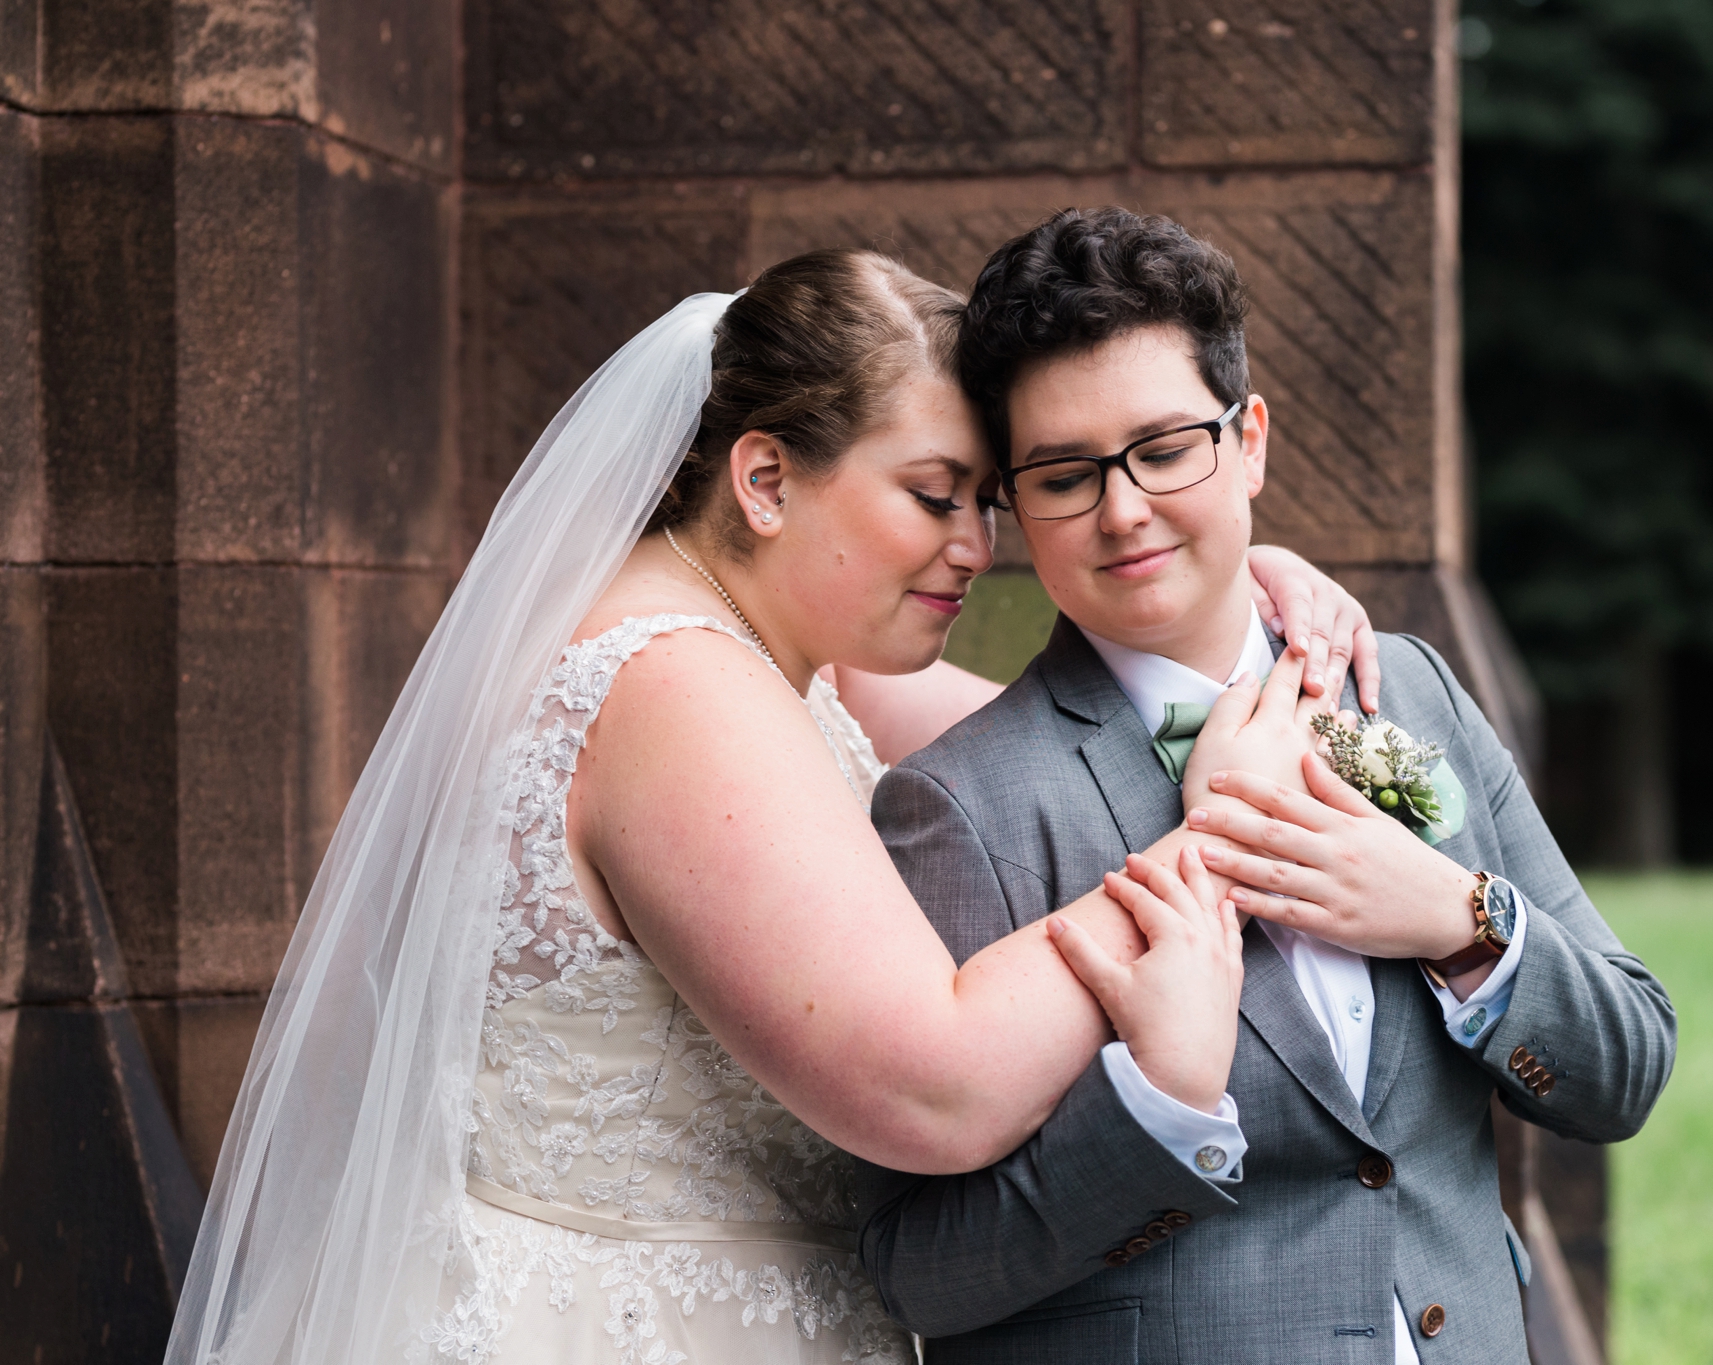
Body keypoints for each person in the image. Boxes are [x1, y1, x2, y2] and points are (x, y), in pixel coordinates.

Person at [166, 247, 1383, 1365]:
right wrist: (1228, 834)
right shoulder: (675, 690)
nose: (974, 545)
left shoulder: (770, 650)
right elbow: (936, 1085)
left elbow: (1072, 737)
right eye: (932, 493)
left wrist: (1224, 575)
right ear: (763, 479)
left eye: (986, 504)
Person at [853, 209, 1679, 1363]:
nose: (1123, 507)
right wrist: (1158, 1109)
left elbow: (1622, 1070)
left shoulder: (1408, 699)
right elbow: (915, 1275)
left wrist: (1455, 921)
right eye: (1063, 474)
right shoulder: (963, 805)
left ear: (1247, 441)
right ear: (1014, 511)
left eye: (1163, 448)